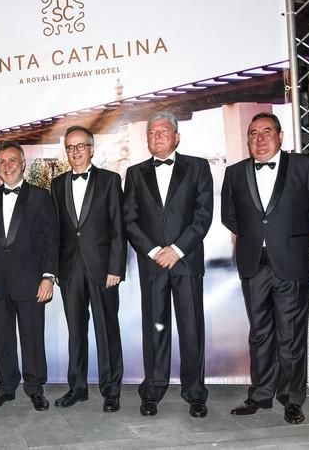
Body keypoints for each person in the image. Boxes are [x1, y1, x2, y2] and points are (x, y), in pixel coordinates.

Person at [221, 112, 309, 424]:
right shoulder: (235, 173)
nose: (259, 138)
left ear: (280, 136)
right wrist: (257, 236)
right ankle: (260, 396)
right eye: (253, 133)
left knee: (291, 335)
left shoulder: (304, 166)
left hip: (293, 262)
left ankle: (292, 399)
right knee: (259, 334)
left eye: (266, 131)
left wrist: (295, 236)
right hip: (253, 263)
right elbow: (229, 216)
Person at [123, 111, 213, 418]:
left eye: (163, 131)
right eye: (151, 132)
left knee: (191, 329)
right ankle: (153, 389)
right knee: (156, 329)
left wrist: (176, 249)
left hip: (186, 263)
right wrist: (153, 252)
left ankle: (195, 393)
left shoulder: (198, 167)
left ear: (176, 137)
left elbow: (203, 215)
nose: (157, 136)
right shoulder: (135, 174)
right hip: (152, 267)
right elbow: (130, 220)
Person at [0, 142, 58, 411]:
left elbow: (51, 240)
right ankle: (6, 387)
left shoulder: (41, 196)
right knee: (2, 338)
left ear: (23, 164)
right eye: (2, 162)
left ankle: (35, 388)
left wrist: (48, 277)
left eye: (12, 161)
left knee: (33, 337)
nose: (7, 166)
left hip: (31, 282)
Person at [51, 126, 126, 413]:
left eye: (81, 146)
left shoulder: (109, 180)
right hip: (70, 270)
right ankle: (77, 387)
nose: (75, 151)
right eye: (70, 147)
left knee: (107, 330)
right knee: (76, 331)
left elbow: (118, 227)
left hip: (103, 269)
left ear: (92, 149)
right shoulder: (57, 185)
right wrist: (55, 269)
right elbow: (56, 231)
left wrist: (116, 267)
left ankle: (111, 390)